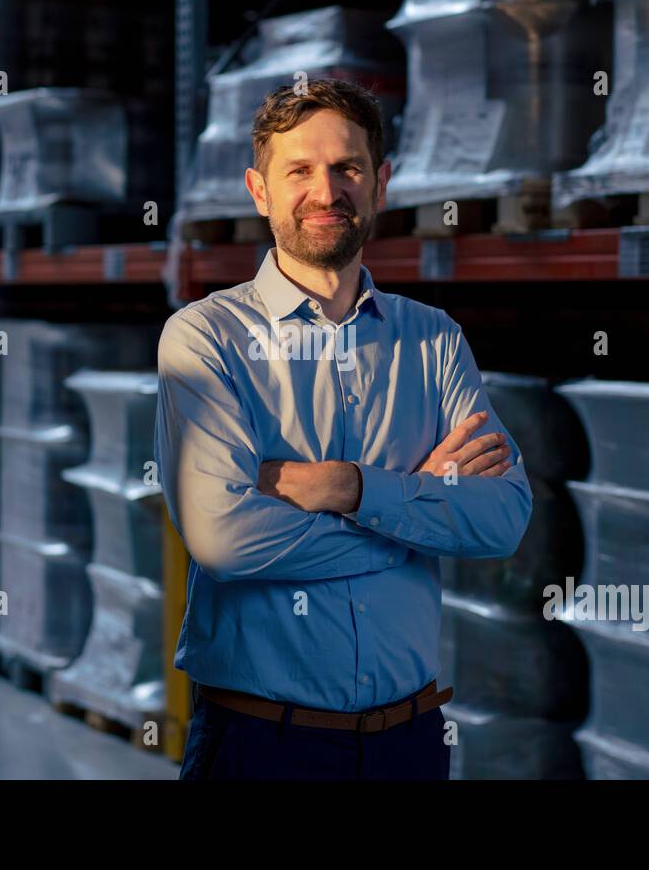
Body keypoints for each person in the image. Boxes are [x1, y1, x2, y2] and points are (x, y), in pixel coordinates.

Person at [154, 78, 533, 780]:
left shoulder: (434, 341)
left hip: (410, 744)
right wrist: (414, 509)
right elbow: (224, 540)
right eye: (298, 170)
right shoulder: (206, 340)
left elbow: (505, 516)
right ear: (258, 190)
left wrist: (350, 488)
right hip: (261, 747)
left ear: (380, 183)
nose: (326, 191)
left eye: (347, 168)